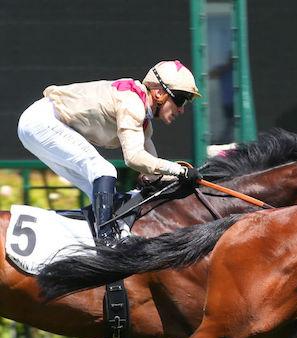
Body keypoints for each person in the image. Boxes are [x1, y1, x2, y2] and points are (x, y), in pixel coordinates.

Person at [17, 60, 203, 246]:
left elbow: (152, 172)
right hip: (42, 121)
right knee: (103, 171)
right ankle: (106, 243)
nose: (182, 109)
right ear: (159, 93)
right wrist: (179, 170)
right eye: (179, 99)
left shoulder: (143, 122)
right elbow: (134, 158)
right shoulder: (132, 104)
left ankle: (87, 244)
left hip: (37, 125)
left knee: (101, 194)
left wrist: (185, 177)